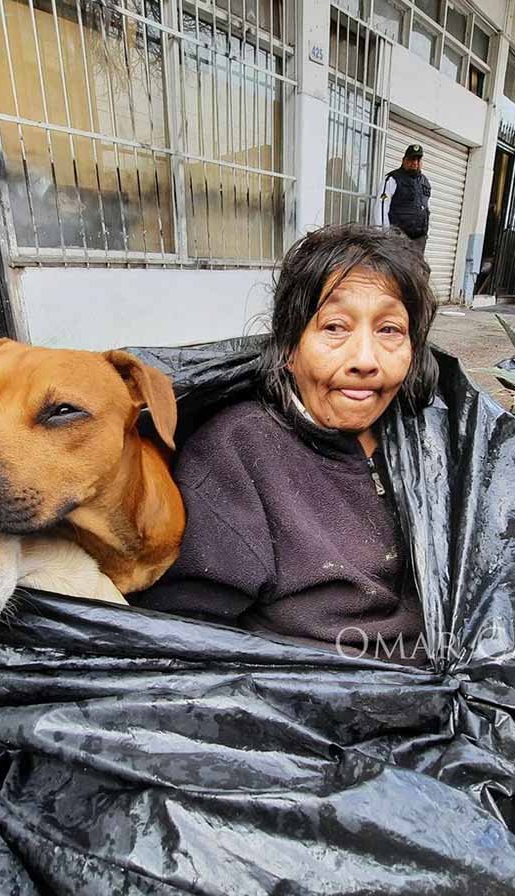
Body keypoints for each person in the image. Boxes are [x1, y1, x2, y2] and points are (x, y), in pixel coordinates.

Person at [135, 224, 436, 663]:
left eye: (390, 330)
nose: (366, 361)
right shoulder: (236, 453)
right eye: (335, 326)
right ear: (290, 348)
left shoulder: (428, 439)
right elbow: (185, 645)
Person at [376, 144, 431, 256]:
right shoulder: (392, 179)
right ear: (404, 160)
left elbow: (426, 208)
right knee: (396, 271)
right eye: (411, 159)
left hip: (418, 240)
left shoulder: (425, 182)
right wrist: (384, 236)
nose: (415, 162)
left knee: (415, 271)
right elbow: (381, 207)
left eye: (418, 159)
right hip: (397, 239)